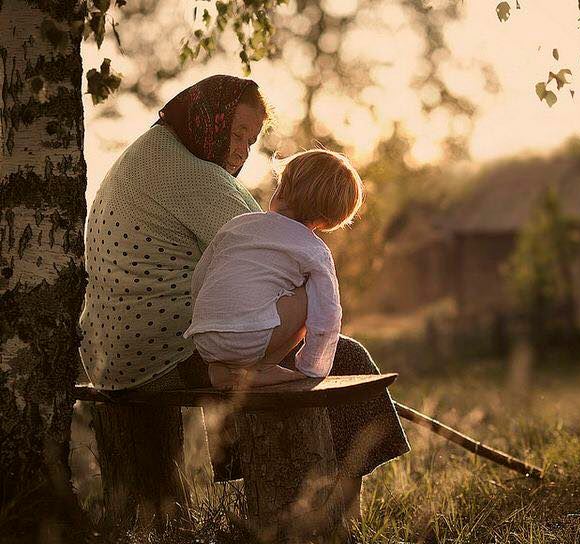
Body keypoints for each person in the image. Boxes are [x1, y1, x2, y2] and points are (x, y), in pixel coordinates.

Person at [78, 75, 409, 511]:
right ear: (208, 120)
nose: (241, 151)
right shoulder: (196, 178)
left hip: (111, 351)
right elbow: (280, 262)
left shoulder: (151, 153)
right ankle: (330, 512)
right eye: (237, 134)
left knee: (276, 343)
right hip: (165, 354)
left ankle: (301, 495)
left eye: (250, 143)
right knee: (345, 359)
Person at [184, 149, 364, 389]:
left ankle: (221, 370)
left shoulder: (237, 225)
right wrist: (312, 368)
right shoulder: (314, 250)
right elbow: (327, 314)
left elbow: (200, 278)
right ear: (328, 220)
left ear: (280, 192)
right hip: (250, 339)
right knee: (311, 296)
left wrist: (206, 320)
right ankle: (263, 367)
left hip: (204, 338)